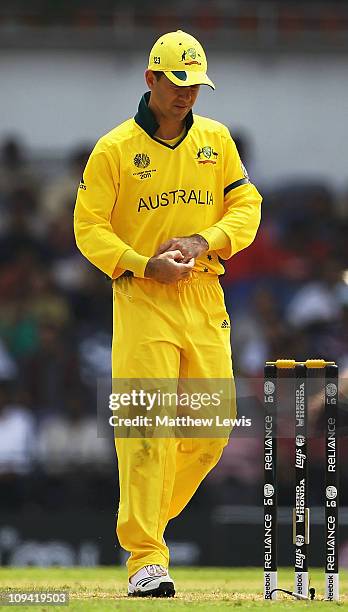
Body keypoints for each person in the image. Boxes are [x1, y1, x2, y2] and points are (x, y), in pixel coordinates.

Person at [74, 30, 262, 597]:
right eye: (178, 84)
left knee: (211, 432)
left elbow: (246, 205)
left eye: (196, 85)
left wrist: (206, 241)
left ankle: (144, 526)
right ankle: (146, 559)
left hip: (204, 297)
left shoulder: (217, 139)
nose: (188, 96)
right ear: (151, 79)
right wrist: (141, 264)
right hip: (142, 298)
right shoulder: (113, 150)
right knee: (147, 431)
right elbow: (88, 228)